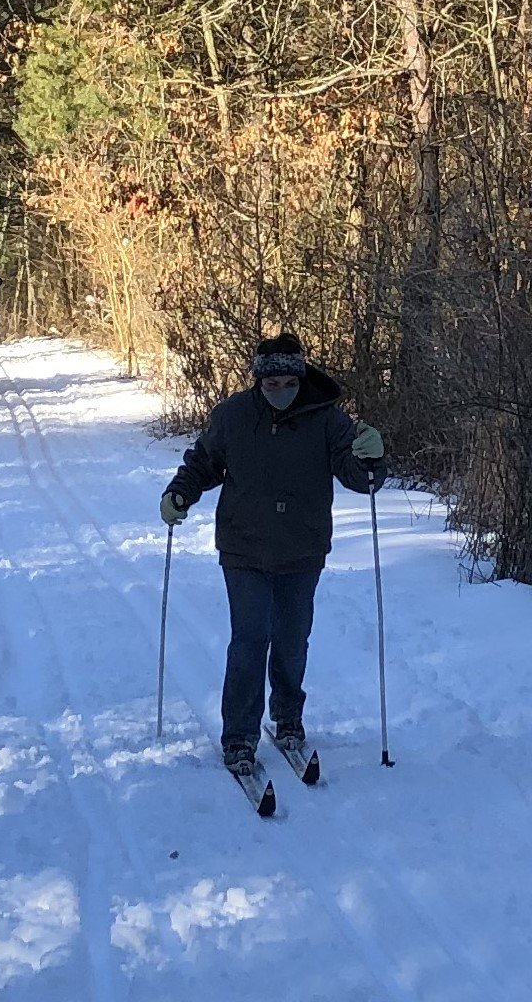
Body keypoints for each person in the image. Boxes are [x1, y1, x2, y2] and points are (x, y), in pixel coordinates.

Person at [160, 331, 388, 777]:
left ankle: (288, 720)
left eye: (288, 383)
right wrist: (179, 494)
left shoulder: (328, 420)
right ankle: (240, 736)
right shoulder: (232, 417)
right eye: (271, 384)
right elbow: (203, 463)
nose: (280, 391)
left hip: (302, 548)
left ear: (300, 378)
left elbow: (362, 479)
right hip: (243, 547)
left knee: (291, 640)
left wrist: (373, 457)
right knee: (249, 640)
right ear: (257, 382)